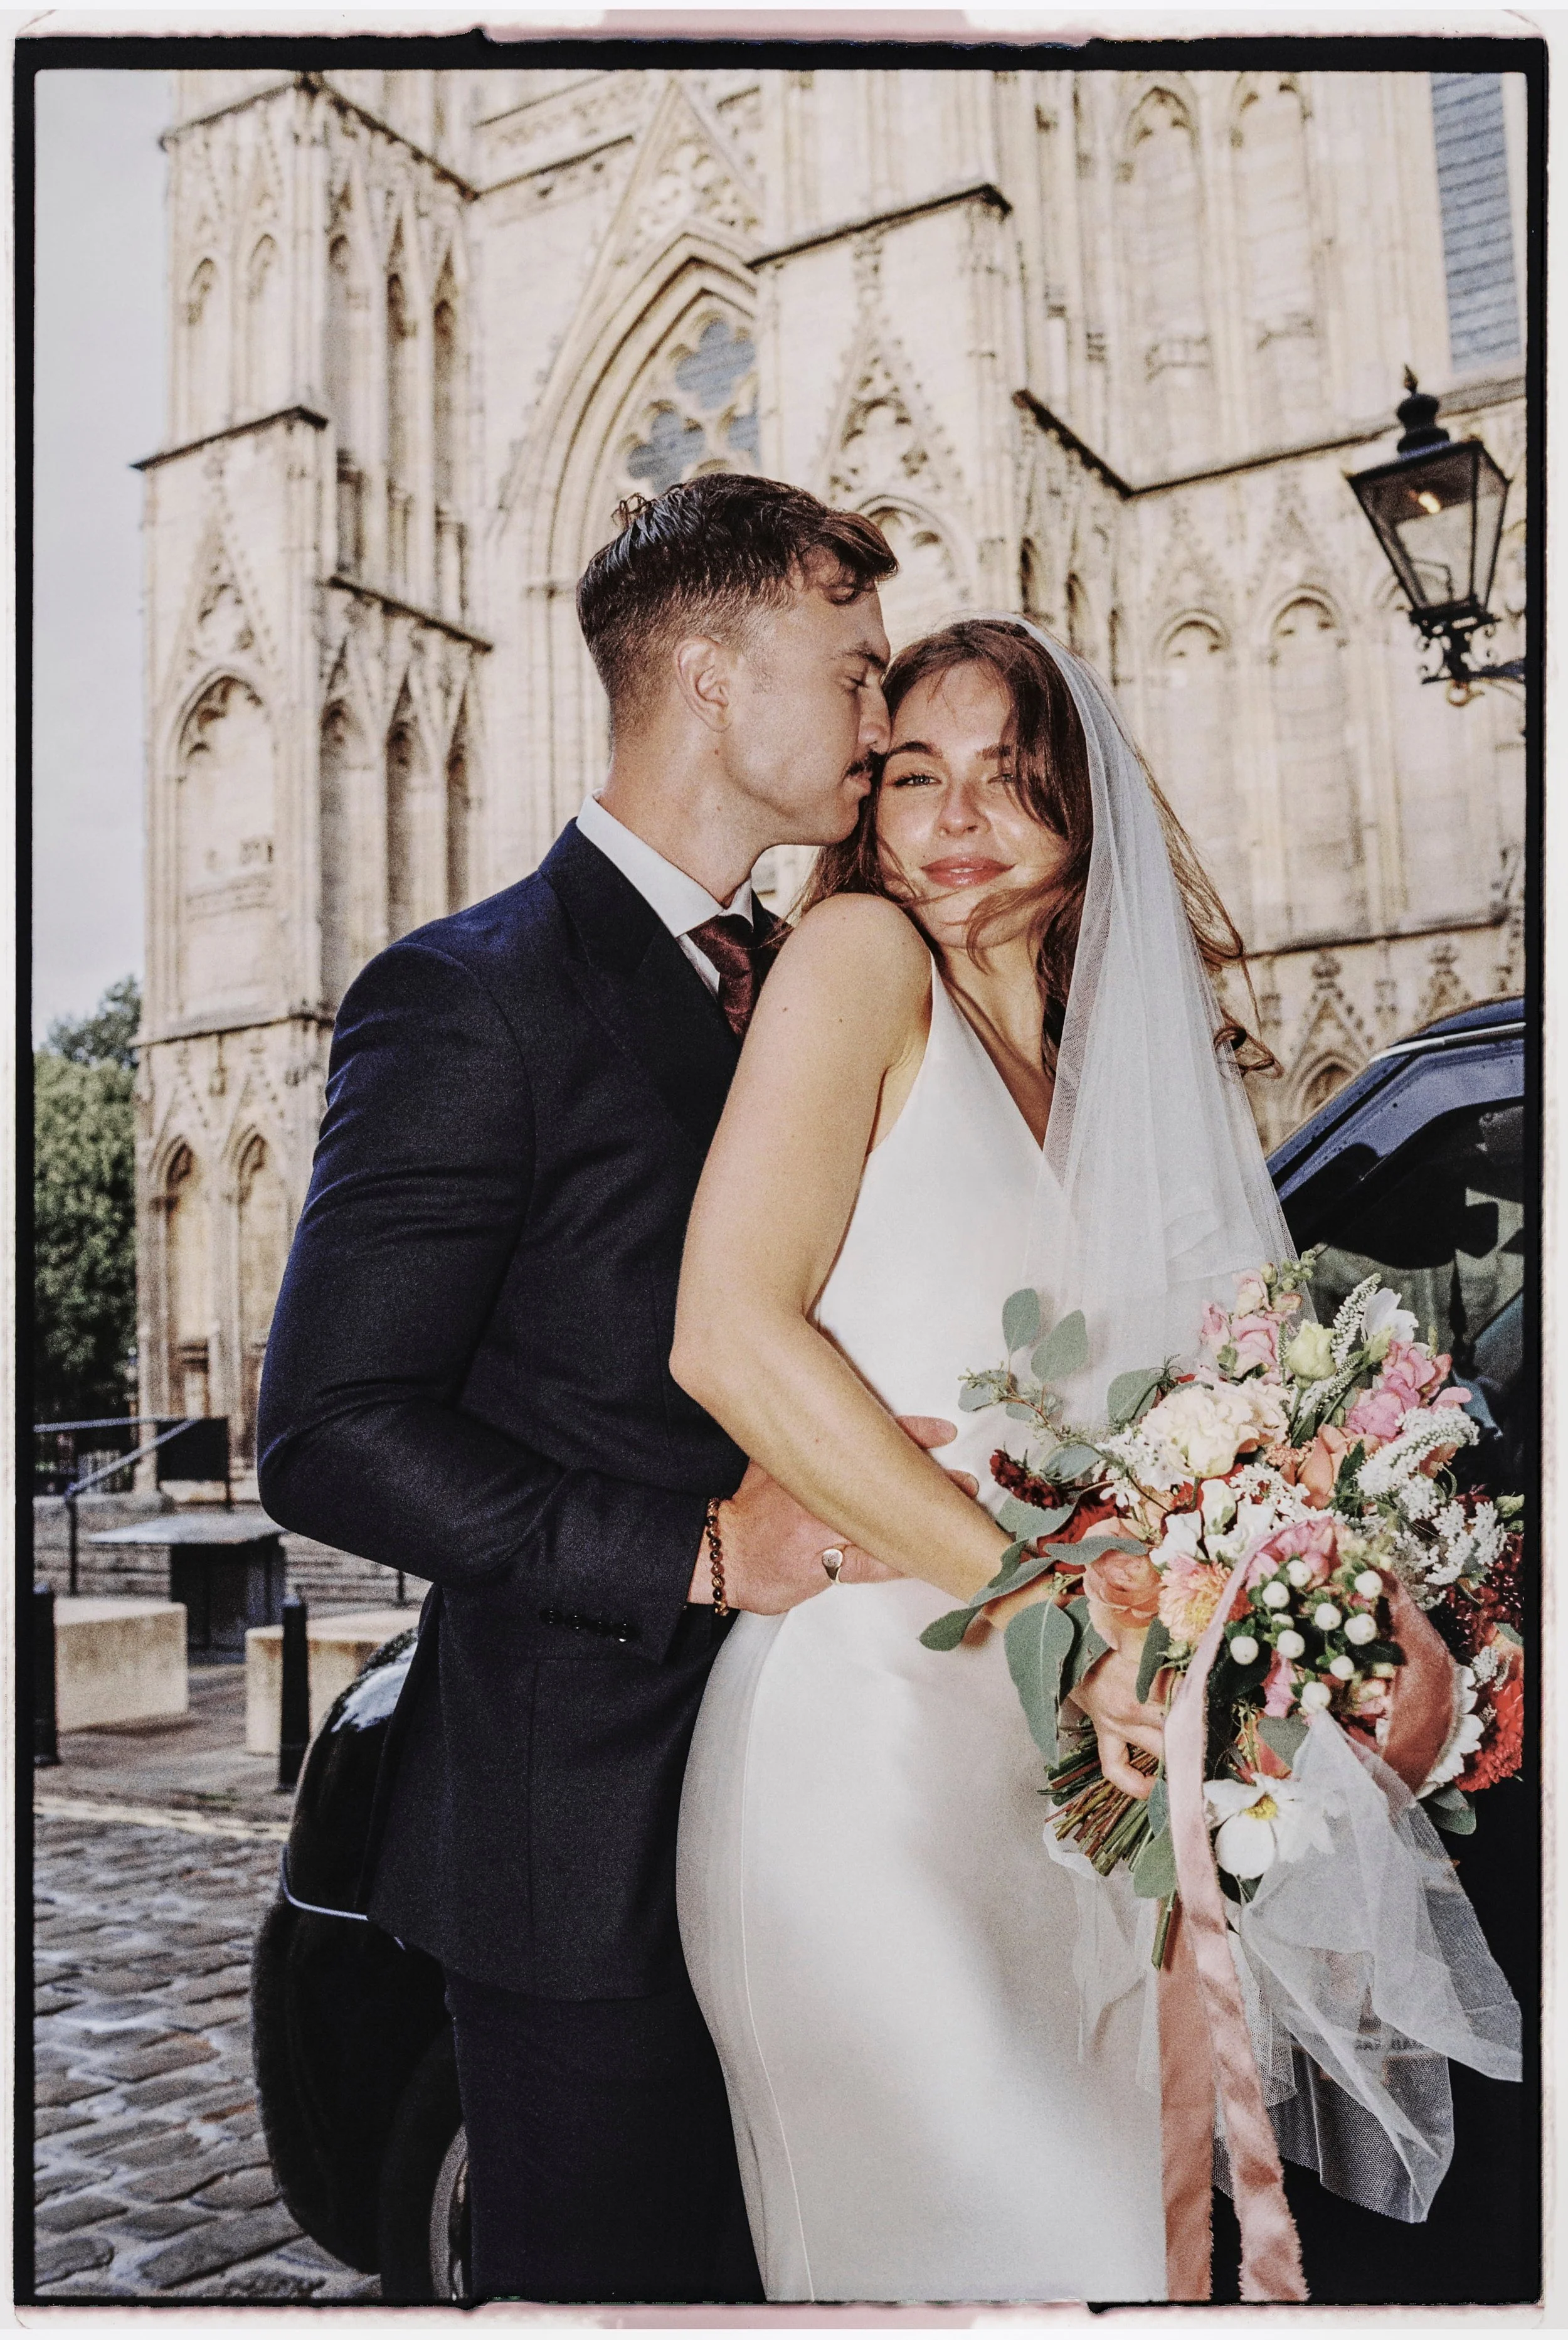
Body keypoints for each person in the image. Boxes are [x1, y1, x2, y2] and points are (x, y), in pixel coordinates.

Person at [257, 476, 933, 2305]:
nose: (887, 720)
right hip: (585, 1847)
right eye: (853, 674)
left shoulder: (809, 981)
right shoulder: (464, 995)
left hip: (839, 1803)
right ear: (711, 677)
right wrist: (698, 1549)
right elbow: (324, 1430)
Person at [672, 616, 1294, 2302]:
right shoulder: (863, 961)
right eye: (912, 777)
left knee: (1114, 2246)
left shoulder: (1123, 1082)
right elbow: (726, 1333)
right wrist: (1049, 1602)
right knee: (971, 2246)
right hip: (863, 1746)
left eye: (1010, 781)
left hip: (1079, 1786)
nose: (954, 823)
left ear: (1085, 817)